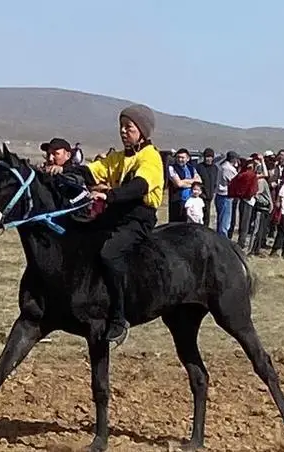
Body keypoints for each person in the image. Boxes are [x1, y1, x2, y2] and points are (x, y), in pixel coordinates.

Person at [52, 104, 164, 348]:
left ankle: (119, 316)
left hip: (138, 218)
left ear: (142, 131)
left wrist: (109, 196)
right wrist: (66, 171)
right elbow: (94, 171)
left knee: (109, 253)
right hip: (116, 213)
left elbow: (140, 186)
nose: (123, 131)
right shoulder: (120, 157)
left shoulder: (150, 157)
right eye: (121, 127)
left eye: (129, 127)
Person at [167, 148, 201, 222]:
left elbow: (199, 181)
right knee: (176, 225)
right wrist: (192, 182)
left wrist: (184, 181)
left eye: (182, 157)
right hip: (177, 202)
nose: (180, 159)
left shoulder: (191, 168)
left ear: (187, 158)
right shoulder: (172, 168)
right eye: (178, 157)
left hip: (190, 201)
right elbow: (178, 184)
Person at [214, 151, 239, 238]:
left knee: (221, 219)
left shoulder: (222, 166)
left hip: (221, 195)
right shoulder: (228, 168)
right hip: (225, 196)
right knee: (224, 221)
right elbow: (235, 182)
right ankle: (222, 239)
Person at [193, 148, 218, 227]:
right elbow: (196, 181)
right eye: (207, 156)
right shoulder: (199, 167)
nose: (208, 159)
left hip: (209, 196)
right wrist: (200, 193)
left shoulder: (215, 168)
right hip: (200, 196)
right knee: (198, 215)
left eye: (210, 157)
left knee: (207, 216)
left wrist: (213, 192)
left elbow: (215, 182)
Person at [249, 174, 273, 257]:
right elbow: (256, 193)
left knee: (261, 230)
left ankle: (257, 249)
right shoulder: (261, 181)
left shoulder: (262, 181)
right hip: (260, 208)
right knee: (256, 230)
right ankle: (251, 250)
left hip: (265, 208)